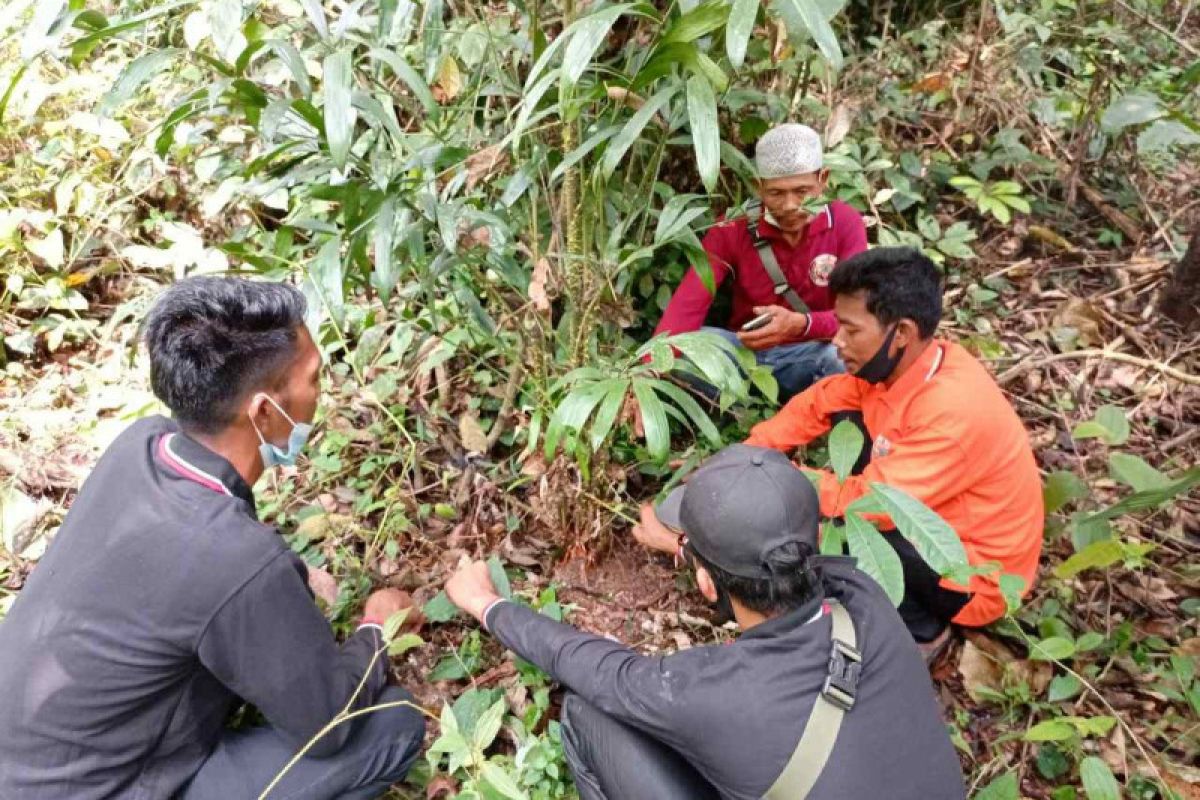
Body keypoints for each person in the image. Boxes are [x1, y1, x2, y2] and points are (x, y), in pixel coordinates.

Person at [0, 277, 425, 800]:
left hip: (25, 761)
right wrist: (376, 628)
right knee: (392, 725)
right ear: (265, 412)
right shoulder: (240, 563)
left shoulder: (141, 445)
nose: (321, 392)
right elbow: (328, 724)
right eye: (314, 378)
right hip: (106, 787)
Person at [445, 444, 967, 800]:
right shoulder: (867, 599)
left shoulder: (711, 694)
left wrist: (486, 604)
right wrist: (702, 551)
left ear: (707, 585)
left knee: (588, 715)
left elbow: (600, 670)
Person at [741, 247, 1043, 649]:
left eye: (851, 330)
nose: (837, 340)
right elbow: (820, 402)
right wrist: (751, 451)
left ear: (900, 332)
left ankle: (920, 626)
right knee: (844, 416)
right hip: (926, 509)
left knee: (821, 547)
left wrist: (773, 476)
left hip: (971, 573)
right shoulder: (899, 365)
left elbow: (874, 504)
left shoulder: (953, 411)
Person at [653, 122, 868, 400]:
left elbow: (860, 315)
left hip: (814, 356)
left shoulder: (845, 222)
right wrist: (648, 373)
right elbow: (687, 306)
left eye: (802, 191)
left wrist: (801, 324)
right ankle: (739, 409)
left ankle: (817, 415)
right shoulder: (733, 227)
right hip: (744, 356)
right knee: (689, 345)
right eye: (776, 193)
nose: (790, 205)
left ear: (823, 180)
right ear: (758, 187)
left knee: (844, 357)